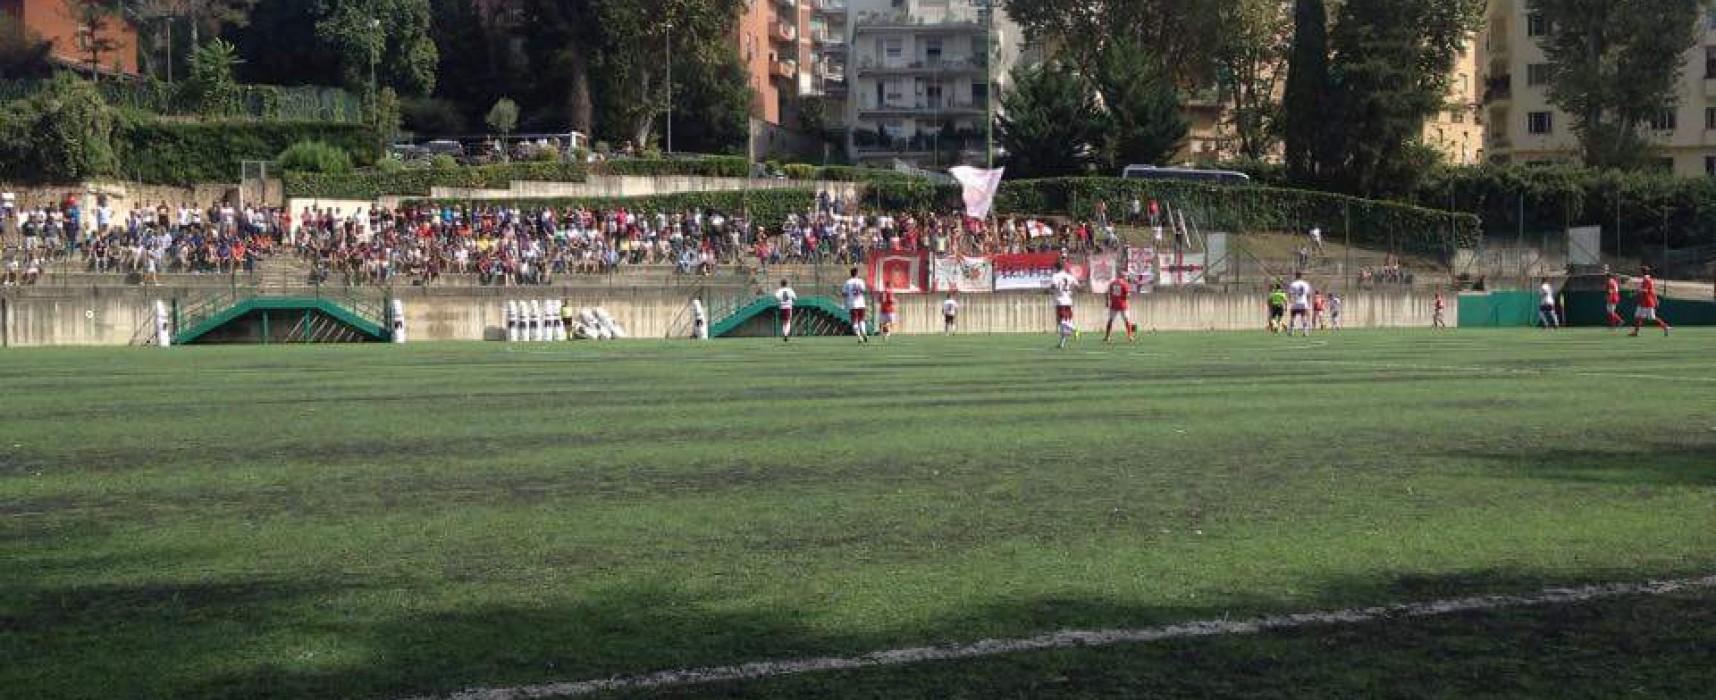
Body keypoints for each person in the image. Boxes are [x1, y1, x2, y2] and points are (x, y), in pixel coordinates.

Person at [1629, 265, 1671, 337]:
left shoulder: (1647, 280)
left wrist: (1636, 292)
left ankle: (1665, 327)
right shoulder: (1646, 279)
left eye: (1640, 271)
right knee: (1638, 316)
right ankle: (1635, 332)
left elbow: (1645, 290)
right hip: (1643, 301)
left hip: (1647, 301)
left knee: (1651, 317)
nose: (1639, 273)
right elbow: (1649, 290)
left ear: (1642, 272)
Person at [1050, 261, 1080, 349]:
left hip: (1060, 301)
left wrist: (1049, 289)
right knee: (1065, 322)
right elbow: (1078, 286)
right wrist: (1071, 291)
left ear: (1056, 268)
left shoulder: (1055, 276)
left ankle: (1075, 329)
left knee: (1061, 322)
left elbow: (1054, 286)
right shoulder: (1070, 276)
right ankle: (1061, 344)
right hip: (1069, 301)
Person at [1104, 276, 1136, 343]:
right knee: (1127, 320)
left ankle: (1107, 336)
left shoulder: (1112, 283)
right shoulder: (1124, 284)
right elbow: (1128, 295)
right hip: (1122, 305)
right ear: (1124, 278)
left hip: (1114, 305)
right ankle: (1130, 336)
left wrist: (1107, 302)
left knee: (1110, 320)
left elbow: (1106, 293)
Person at [842, 267, 869, 343]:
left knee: (854, 321)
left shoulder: (848, 282)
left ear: (851, 274)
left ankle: (859, 337)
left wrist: (845, 301)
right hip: (861, 303)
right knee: (862, 320)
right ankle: (864, 333)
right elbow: (863, 291)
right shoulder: (861, 281)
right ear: (857, 273)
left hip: (852, 304)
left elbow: (844, 293)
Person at [1287, 272, 1313, 337]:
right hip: (1303, 302)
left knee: (1293, 317)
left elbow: (1290, 294)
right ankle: (1305, 332)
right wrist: (1308, 303)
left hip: (1295, 302)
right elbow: (1308, 294)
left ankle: (1291, 332)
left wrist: (1290, 301)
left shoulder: (1293, 284)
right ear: (1301, 276)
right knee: (1303, 317)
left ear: (1296, 276)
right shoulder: (1305, 284)